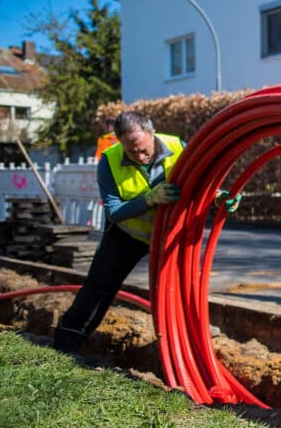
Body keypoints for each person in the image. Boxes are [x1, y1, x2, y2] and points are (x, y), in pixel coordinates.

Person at [53, 111, 240, 352]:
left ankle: (187, 341)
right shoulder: (109, 162)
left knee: (180, 289)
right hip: (127, 236)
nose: (141, 157)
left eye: (144, 150)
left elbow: (199, 183)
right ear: (120, 142)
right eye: (133, 151)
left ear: (152, 134)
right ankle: (67, 341)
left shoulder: (177, 147)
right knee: (98, 287)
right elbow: (114, 211)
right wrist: (149, 199)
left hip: (170, 235)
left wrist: (219, 197)